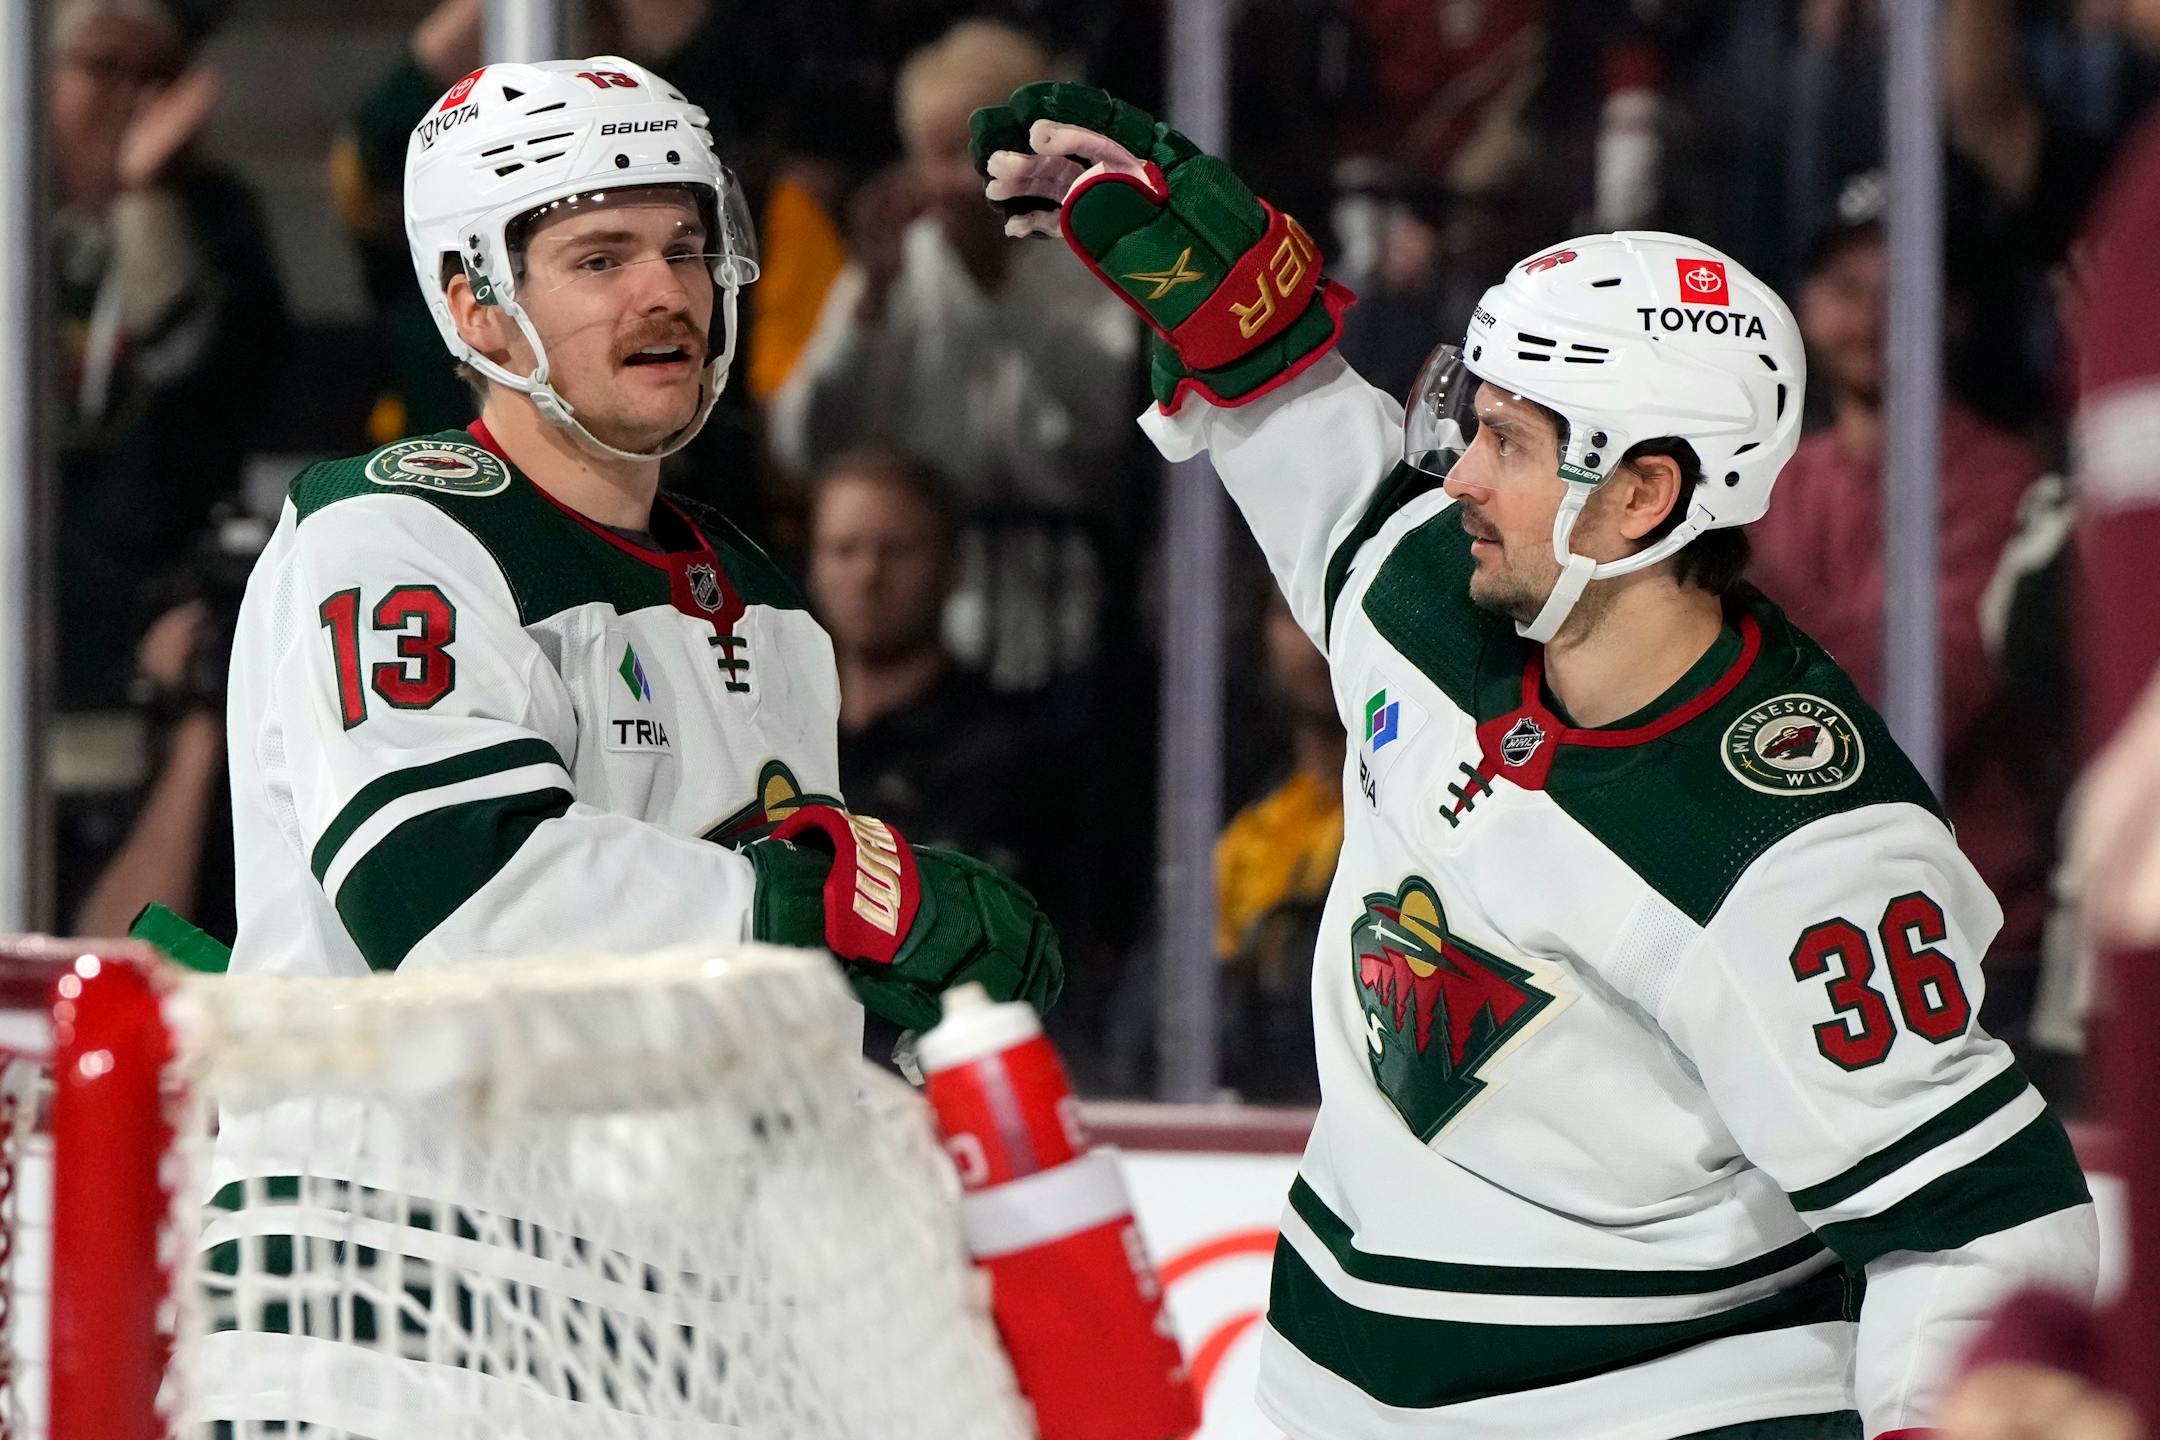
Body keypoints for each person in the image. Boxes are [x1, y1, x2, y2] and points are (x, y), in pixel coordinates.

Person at [973, 83, 2097, 1436]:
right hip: (1322, 1396)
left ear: (1645, 496)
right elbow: (1326, 469)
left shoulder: (1798, 850)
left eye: (1510, 442)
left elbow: (1986, 1227)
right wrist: (1240, 324)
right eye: (1477, 422)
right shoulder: (1438, 594)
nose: (1459, 475)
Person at [227, 56, 1059, 1025]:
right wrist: (814, 919)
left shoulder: (762, 596)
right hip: (395, 1177)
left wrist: (902, 1012)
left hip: (645, 1172)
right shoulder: (391, 537)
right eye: (601, 259)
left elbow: (755, 987)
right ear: (477, 308)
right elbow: (450, 895)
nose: (667, 292)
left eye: (685, 247)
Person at [1749, 180, 2059, 1074]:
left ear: (1951, 314)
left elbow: (1926, 698)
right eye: (1847, 290)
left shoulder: (2000, 479)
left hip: (1973, 955)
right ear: (1805, 309)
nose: (1869, 318)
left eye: (1900, 291)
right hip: (1797, 942)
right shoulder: (1776, 482)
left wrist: (1746, 592)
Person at [1213, 590, 1343, 1104]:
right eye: (1292, 609)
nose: (1315, 636)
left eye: (1336, 605)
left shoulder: (1434, 821)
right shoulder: (1238, 822)